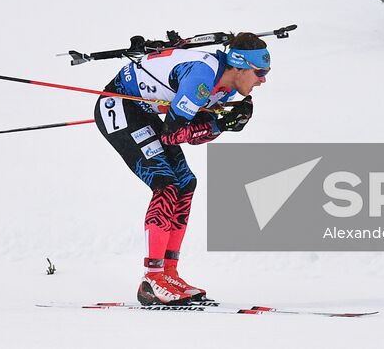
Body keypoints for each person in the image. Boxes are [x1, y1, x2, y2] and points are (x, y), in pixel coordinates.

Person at [93, 31, 271, 306]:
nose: (263, 79)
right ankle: (152, 280)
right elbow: (172, 134)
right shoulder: (202, 77)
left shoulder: (228, 86)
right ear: (238, 65)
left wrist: (224, 125)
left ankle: (168, 273)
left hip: (145, 112)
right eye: (259, 71)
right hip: (118, 105)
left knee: (186, 182)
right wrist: (220, 125)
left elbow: (195, 136)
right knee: (165, 184)